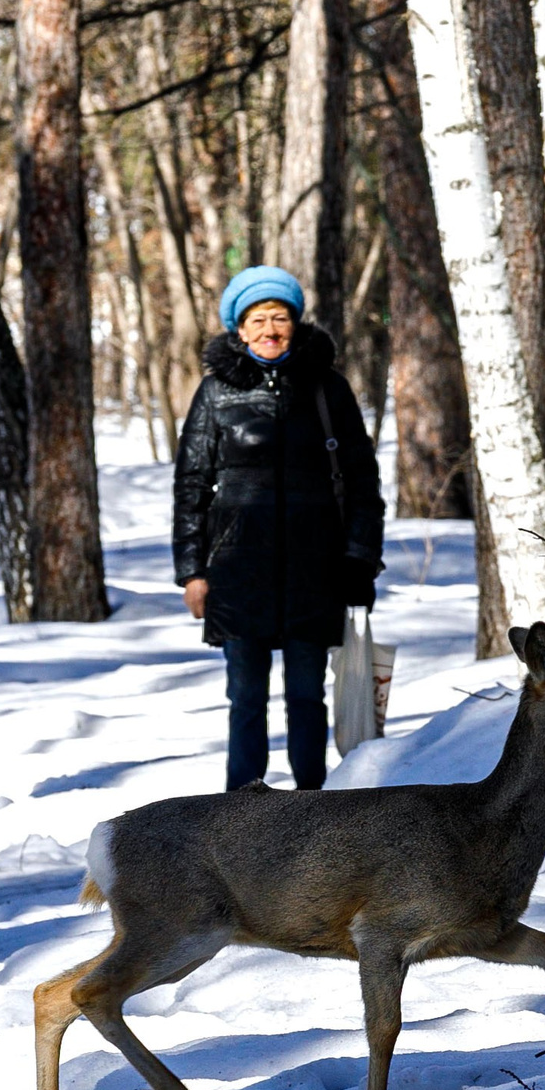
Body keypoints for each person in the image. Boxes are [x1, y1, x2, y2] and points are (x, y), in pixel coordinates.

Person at [173, 265, 384, 790]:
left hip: (317, 574)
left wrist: (360, 560)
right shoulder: (215, 393)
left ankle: (312, 804)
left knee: (307, 698)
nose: (270, 329)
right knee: (245, 698)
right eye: (258, 319)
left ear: (295, 323)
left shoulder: (327, 389)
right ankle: (240, 812)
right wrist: (192, 572)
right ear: (239, 330)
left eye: (280, 317)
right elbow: (191, 487)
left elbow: (361, 482)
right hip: (237, 573)